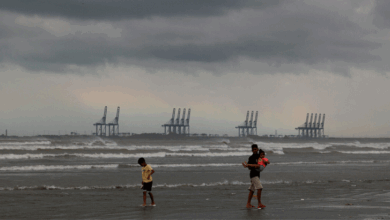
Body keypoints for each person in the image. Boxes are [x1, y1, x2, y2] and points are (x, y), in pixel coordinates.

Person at [242, 144, 265, 209]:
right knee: (260, 188)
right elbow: (249, 167)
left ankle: (248, 204)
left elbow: (261, 162)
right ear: (252, 150)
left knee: (252, 190)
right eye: (253, 149)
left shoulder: (259, 156)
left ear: (257, 149)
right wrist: (248, 166)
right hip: (253, 175)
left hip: (257, 174)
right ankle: (259, 203)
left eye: (256, 149)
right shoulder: (251, 158)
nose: (255, 150)